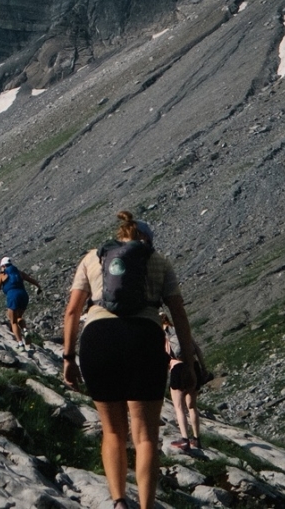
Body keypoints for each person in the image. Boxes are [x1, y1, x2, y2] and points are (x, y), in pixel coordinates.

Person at [63, 211, 202, 509]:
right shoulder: (159, 261)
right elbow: (179, 314)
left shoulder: (91, 258)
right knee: (145, 437)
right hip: (144, 340)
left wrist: (68, 357)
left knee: (112, 432)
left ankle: (118, 502)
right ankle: (146, 506)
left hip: (98, 340)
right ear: (145, 240)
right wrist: (188, 364)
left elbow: (73, 311)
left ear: (118, 235)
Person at [162, 315, 204, 454]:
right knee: (192, 406)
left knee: (179, 407)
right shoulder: (181, 331)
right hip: (194, 367)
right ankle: (197, 439)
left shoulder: (163, 335)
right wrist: (203, 368)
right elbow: (197, 349)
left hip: (178, 368)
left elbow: (166, 354)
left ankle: (185, 440)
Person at [0, 256, 42, 342]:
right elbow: (31, 280)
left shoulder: (1, 275)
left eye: (1, 267)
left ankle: (20, 343)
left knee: (13, 322)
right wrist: (38, 287)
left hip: (13, 296)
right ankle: (25, 330)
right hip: (24, 295)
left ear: (4, 266)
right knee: (19, 316)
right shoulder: (19, 273)